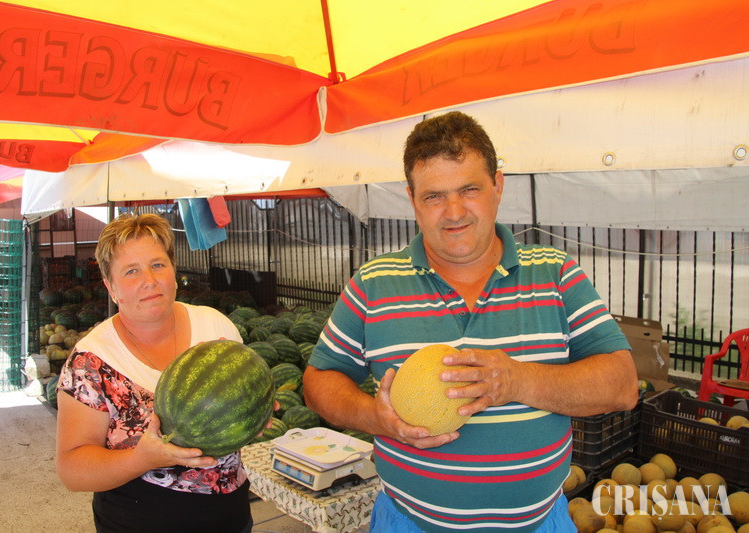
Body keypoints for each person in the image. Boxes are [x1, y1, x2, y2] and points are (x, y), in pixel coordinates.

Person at [303, 111, 638, 532]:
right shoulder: (373, 284)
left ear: (498, 186)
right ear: (412, 200)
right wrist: (376, 418)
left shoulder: (556, 274)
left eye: (469, 189)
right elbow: (319, 381)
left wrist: (516, 380)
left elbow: (622, 385)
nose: (454, 212)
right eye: (434, 196)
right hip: (407, 524)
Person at [55, 213, 253, 533]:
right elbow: (72, 469)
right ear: (111, 287)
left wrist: (253, 415)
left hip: (231, 519)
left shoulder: (216, 326)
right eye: (131, 270)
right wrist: (142, 459)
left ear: (174, 271)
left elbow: (239, 410)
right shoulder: (90, 361)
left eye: (158, 265)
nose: (149, 279)